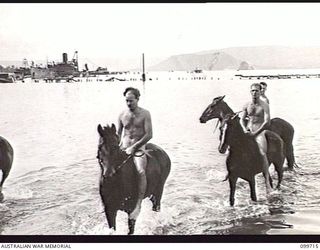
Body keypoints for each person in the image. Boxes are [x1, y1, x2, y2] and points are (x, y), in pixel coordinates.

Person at [117, 87, 153, 219]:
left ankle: (138, 204)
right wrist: (115, 148)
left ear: (137, 99)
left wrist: (134, 147)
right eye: (126, 100)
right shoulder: (121, 115)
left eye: (131, 101)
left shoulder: (145, 114)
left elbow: (149, 135)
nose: (128, 103)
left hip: (138, 147)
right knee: (109, 170)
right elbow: (118, 134)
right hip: (123, 147)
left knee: (140, 171)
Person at [240, 83, 272, 194]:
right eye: (253, 91)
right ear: (250, 92)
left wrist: (256, 133)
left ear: (260, 92)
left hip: (259, 131)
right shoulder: (246, 105)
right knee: (234, 147)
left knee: (262, 152)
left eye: (257, 91)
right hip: (248, 130)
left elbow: (266, 122)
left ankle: (267, 181)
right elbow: (242, 119)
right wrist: (244, 129)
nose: (255, 93)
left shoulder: (264, 105)